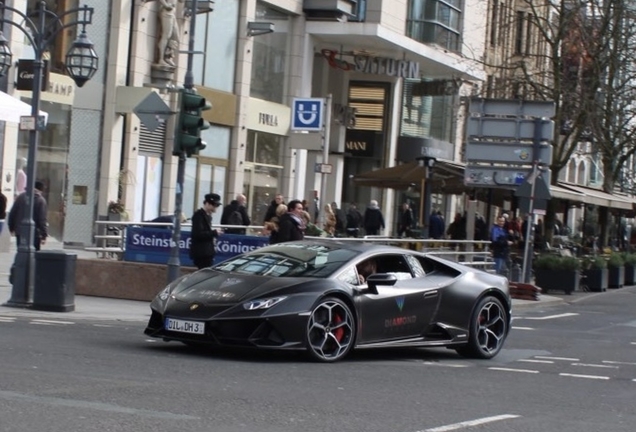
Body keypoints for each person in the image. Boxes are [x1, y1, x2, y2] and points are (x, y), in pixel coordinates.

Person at [8, 180, 48, 250]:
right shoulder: (41, 201)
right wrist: (44, 234)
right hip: (35, 233)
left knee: (21, 251)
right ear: (40, 190)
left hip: (20, 231)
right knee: (34, 254)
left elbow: (12, 213)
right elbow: (42, 219)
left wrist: (11, 228)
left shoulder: (20, 197)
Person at [189, 193, 221, 269]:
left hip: (206, 252)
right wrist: (214, 233)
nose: (216, 208)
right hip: (202, 253)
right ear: (207, 203)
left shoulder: (207, 216)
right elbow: (198, 234)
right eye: (214, 205)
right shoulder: (199, 216)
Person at [157, 0, 179, 67]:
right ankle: (161, 59)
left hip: (172, 12)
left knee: (176, 36)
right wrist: (166, 5)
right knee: (166, 36)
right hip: (167, 11)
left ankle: (168, 55)